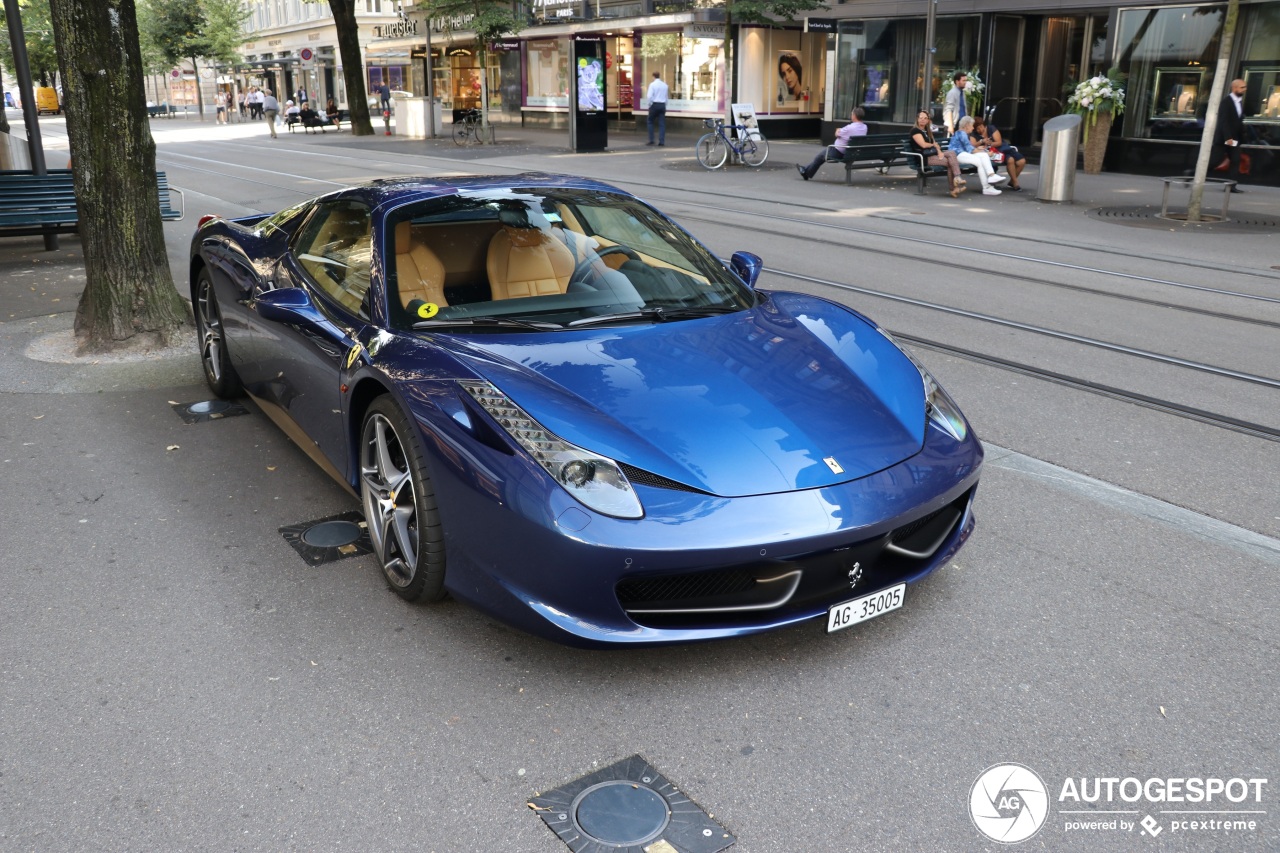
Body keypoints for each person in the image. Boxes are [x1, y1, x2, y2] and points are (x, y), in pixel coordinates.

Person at [797, 107, 867, 181]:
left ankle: (806, 172)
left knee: (819, 157)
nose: (851, 115)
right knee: (821, 157)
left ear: (854, 116)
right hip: (852, 153)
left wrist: (838, 130)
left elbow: (837, 134)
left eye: (852, 114)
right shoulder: (864, 127)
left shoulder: (849, 128)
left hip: (838, 151)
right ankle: (805, 170)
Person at [909, 110, 966, 198]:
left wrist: (939, 152)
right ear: (917, 119)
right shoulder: (915, 131)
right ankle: (954, 186)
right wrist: (933, 145)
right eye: (921, 118)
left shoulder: (927, 131)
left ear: (928, 120)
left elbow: (936, 145)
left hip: (933, 154)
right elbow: (923, 145)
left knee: (951, 153)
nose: (923, 120)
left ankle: (957, 178)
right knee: (950, 162)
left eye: (925, 118)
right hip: (924, 157)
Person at [949, 116, 1004, 195]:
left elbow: (970, 148)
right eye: (971, 126)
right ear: (967, 125)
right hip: (958, 155)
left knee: (982, 158)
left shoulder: (960, 133)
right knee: (981, 159)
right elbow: (971, 149)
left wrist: (982, 151)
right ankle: (987, 185)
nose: (972, 128)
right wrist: (986, 153)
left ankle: (990, 179)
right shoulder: (962, 134)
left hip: (962, 154)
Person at [972, 116, 1026, 191]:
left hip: (1003, 148)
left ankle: (1012, 181)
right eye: (977, 128)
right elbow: (972, 145)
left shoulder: (991, 128)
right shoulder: (974, 134)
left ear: (983, 124)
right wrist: (981, 142)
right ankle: (1015, 183)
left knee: (1021, 161)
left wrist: (989, 143)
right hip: (994, 152)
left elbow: (999, 142)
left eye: (981, 126)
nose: (980, 129)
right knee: (1010, 160)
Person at [1212, 78, 1247, 192]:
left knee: (1236, 160)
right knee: (1215, 161)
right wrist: (1228, 137)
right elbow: (1224, 121)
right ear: (1234, 88)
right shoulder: (1226, 102)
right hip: (1225, 138)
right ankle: (1192, 173)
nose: (1244, 89)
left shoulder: (1239, 102)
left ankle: (1231, 186)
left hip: (1235, 138)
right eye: (1242, 87)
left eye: (1245, 87)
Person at [645, 71, 668, 146]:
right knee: (662, 124)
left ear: (653, 76)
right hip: (662, 105)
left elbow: (649, 96)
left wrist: (649, 104)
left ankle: (651, 140)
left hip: (654, 105)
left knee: (650, 121)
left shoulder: (652, 85)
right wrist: (665, 105)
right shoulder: (665, 85)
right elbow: (666, 97)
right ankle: (662, 141)